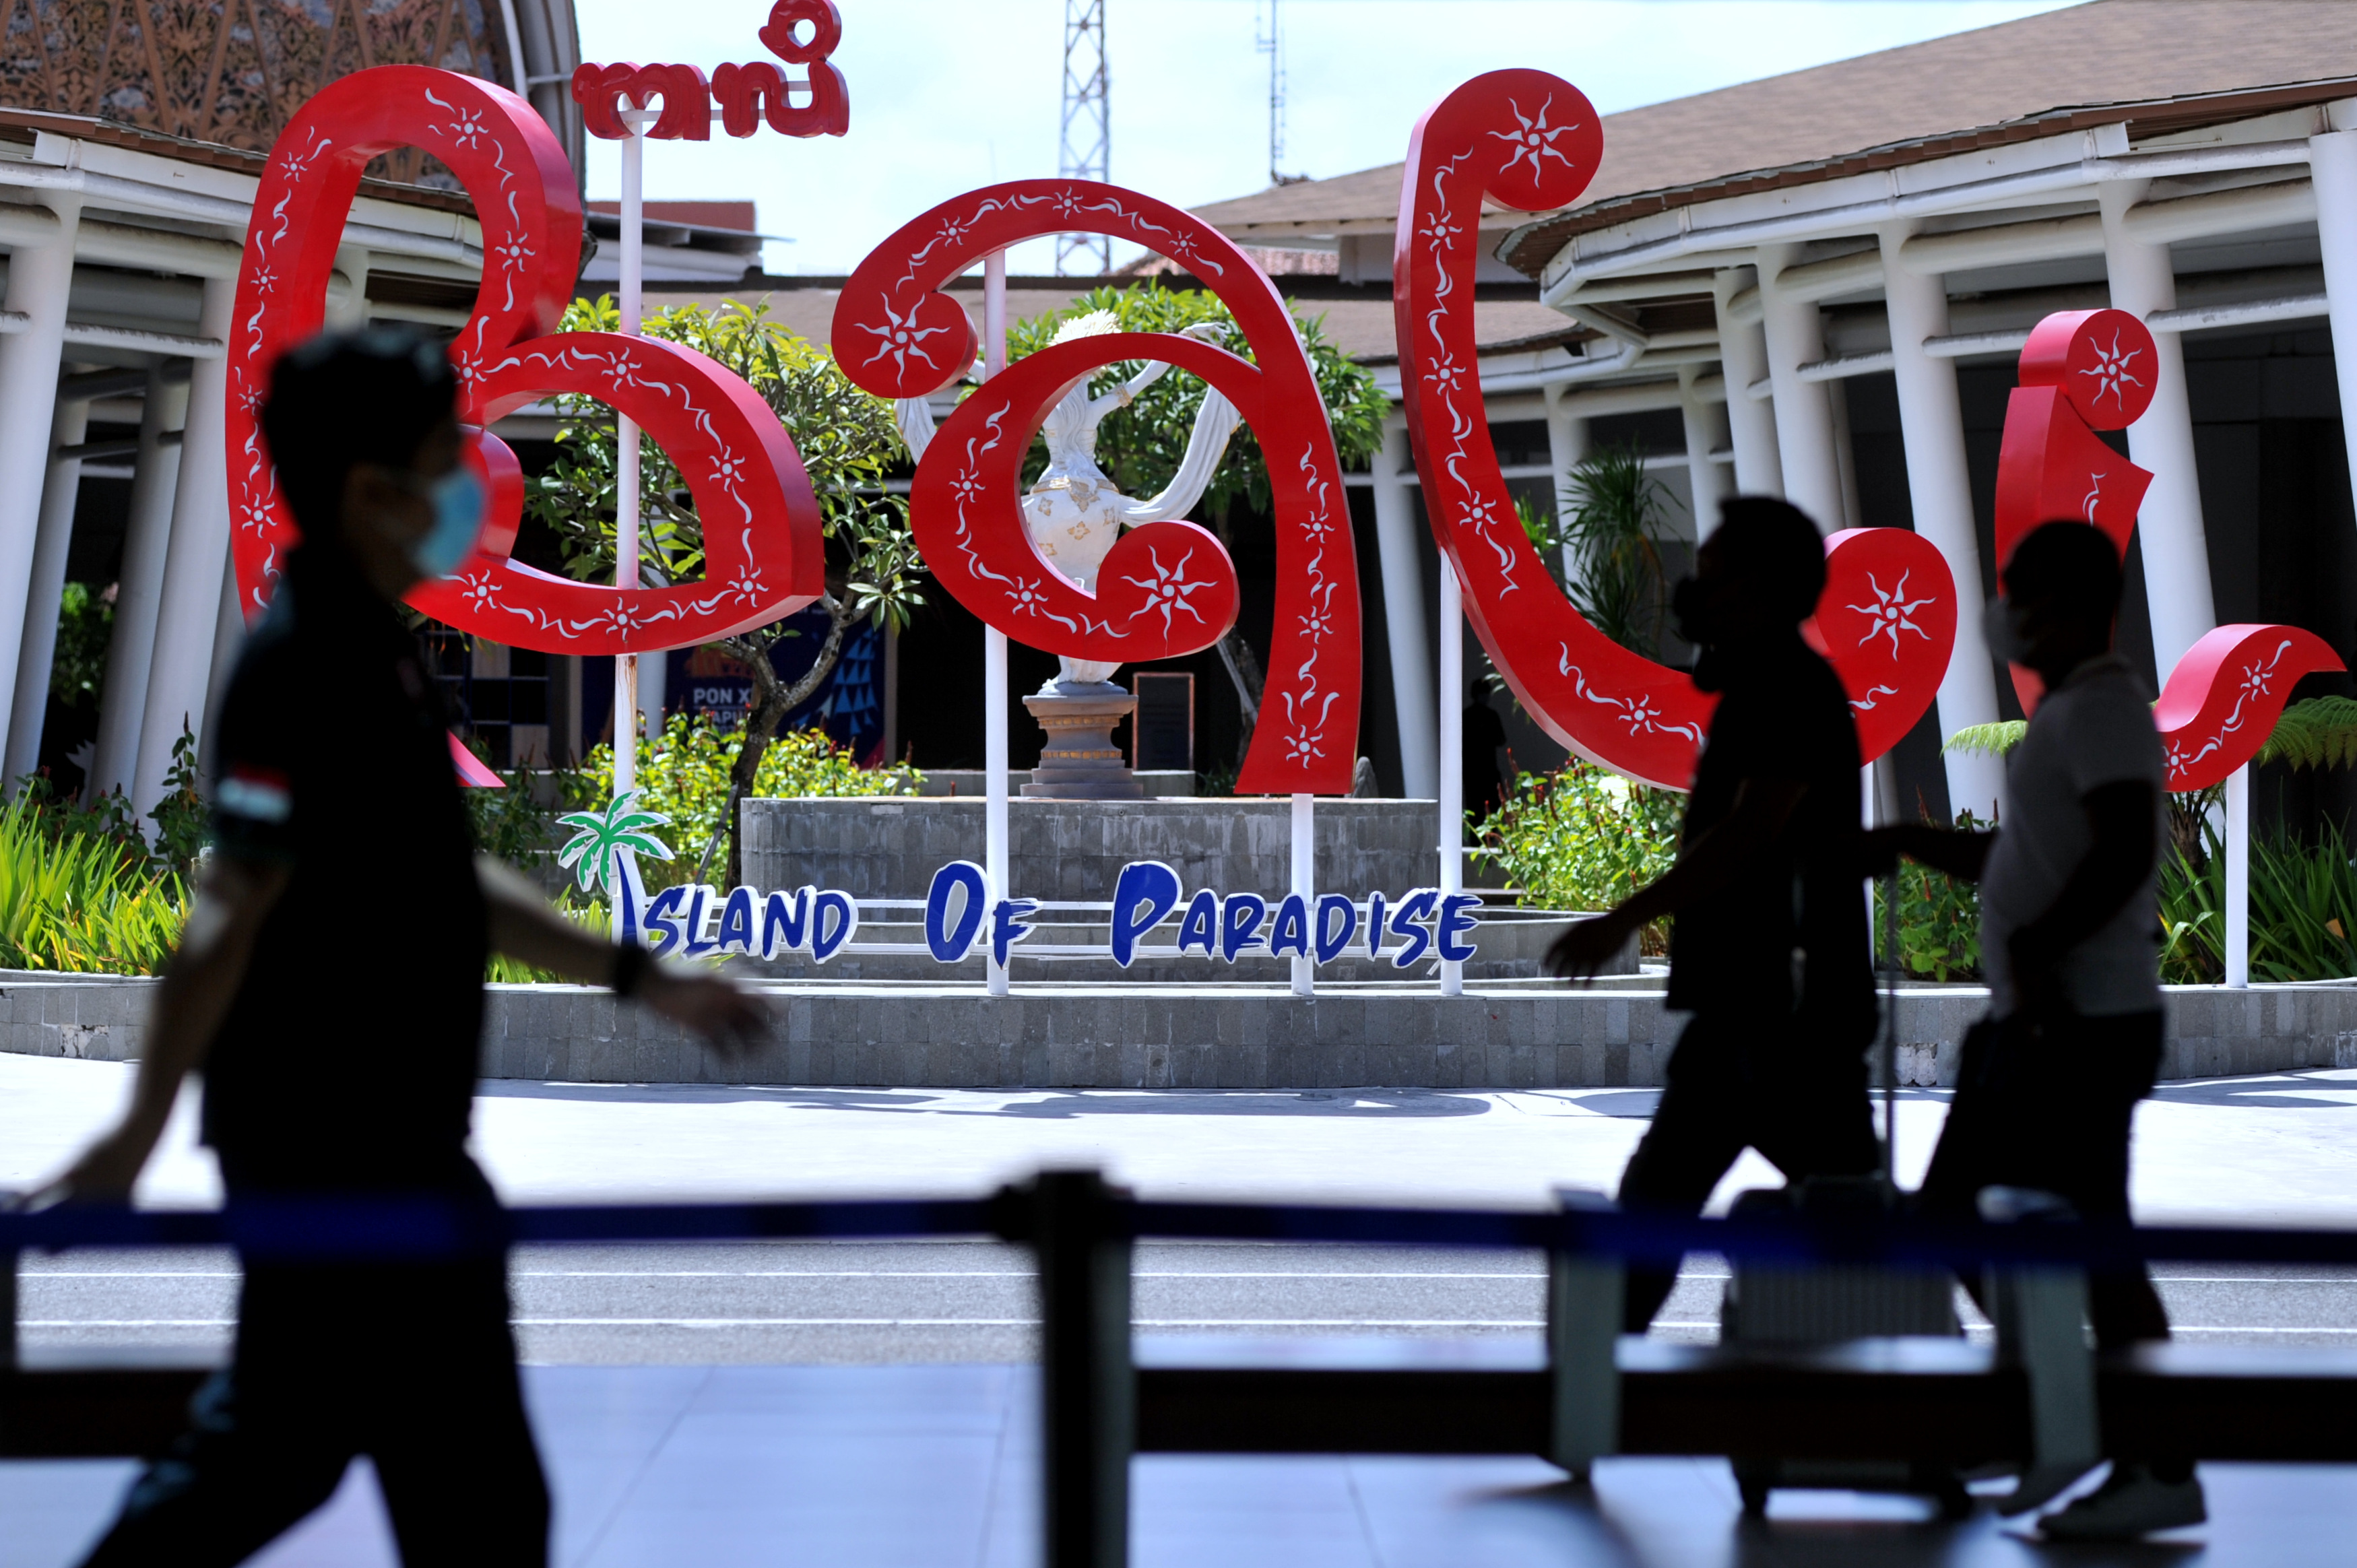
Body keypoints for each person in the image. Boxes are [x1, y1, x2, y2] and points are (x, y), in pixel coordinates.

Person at [34, 329, 767, 1568]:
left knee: (333, 1460)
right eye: (441, 463)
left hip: (386, 1140)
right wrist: (134, 1133)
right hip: (336, 1145)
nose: (464, 491)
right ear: (372, 490)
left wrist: (640, 978)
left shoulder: (373, 652)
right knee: (379, 1475)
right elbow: (227, 908)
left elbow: (444, 877)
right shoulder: (302, 667)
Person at [1865, 520, 2201, 1540]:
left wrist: (2037, 950)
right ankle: (2045, 1417)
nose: (2006, 614)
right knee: (1973, 1222)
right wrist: (1908, 841)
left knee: (2088, 1244)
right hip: (2042, 1021)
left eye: (2023, 594)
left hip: (2076, 1026)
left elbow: (2122, 852)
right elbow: (2028, 857)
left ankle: (2149, 1460)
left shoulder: (2099, 709)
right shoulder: (2068, 711)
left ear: (2075, 608)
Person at [1548, 496, 1879, 1330]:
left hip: (1782, 1016)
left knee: (1829, 1218)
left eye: (1712, 571)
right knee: (1834, 1212)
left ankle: (1589, 1379)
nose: (1694, 589)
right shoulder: (1768, 687)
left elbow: (1750, 833)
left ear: (1760, 588)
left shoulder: (1789, 691)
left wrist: (1623, 918)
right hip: (1762, 1011)